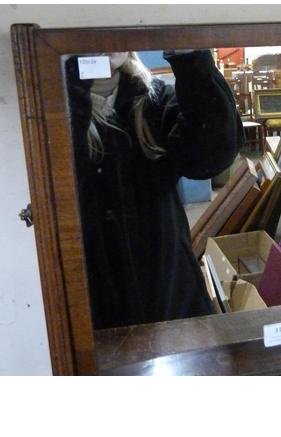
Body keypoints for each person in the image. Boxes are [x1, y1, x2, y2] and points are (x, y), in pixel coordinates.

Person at [65, 49, 244, 330]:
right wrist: (73, 81)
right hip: (94, 300)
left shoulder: (154, 98)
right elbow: (57, 184)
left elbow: (211, 157)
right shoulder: (55, 105)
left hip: (170, 289)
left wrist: (191, 59)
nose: (107, 41)